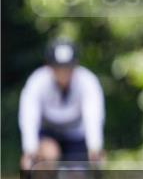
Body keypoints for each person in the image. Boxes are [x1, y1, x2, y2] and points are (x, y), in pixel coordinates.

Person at [19, 38, 106, 171]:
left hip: (76, 135)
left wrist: (95, 147)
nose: (63, 72)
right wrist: (29, 149)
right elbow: (29, 115)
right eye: (58, 67)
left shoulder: (88, 81)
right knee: (48, 154)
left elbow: (93, 115)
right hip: (48, 133)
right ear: (49, 66)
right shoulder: (37, 81)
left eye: (68, 68)